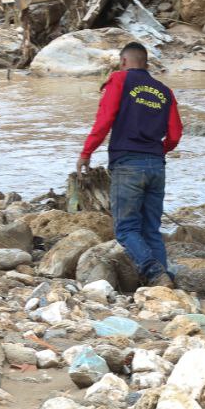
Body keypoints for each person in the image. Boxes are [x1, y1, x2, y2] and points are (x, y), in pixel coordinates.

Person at [77, 42, 183, 288]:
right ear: (146, 63)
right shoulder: (164, 91)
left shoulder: (119, 80)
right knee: (151, 229)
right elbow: (176, 134)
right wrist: (157, 151)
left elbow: (105, 120)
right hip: (156, 165)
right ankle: (162, 280)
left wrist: (86, 152)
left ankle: (155, 273)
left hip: (127, 164)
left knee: (126, 229)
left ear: (123, 62)